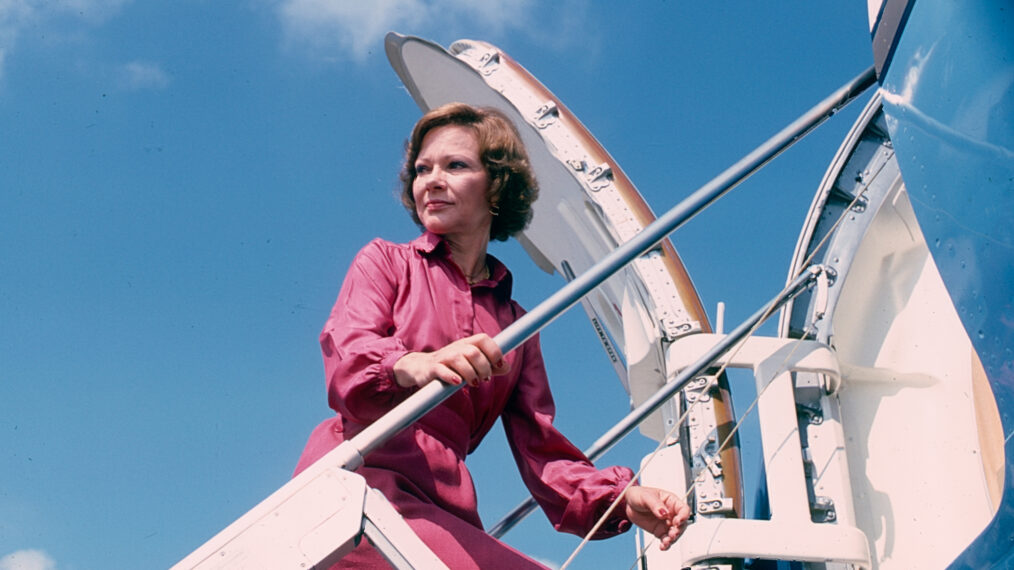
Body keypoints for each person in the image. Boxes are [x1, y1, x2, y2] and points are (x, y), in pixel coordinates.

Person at [294, 102, 690, 568]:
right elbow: (349, 354)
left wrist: (622, 499)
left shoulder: (517, 329)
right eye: (422, 170)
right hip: (360, 486)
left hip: (445, 511)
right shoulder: (384, 262)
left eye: (455, 165)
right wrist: (411, 363)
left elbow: (543, 451)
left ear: (497, 187)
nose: (432, 180)